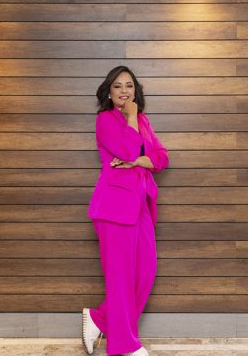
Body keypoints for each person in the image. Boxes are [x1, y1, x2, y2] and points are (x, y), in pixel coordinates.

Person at [82, 65, 170, 356]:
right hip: (114, 207)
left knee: (145, 273)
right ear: (109, 92)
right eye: (118, 86)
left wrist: (137, 161)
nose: (124, 91)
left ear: (135, 90)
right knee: (120, 278)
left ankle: (100, 319)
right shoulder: (105, 120)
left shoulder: (143, 120)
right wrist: (131, 122)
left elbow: (161, 157)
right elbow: (129, 150)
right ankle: (124, 345)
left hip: (140, 205)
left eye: (129, 85)